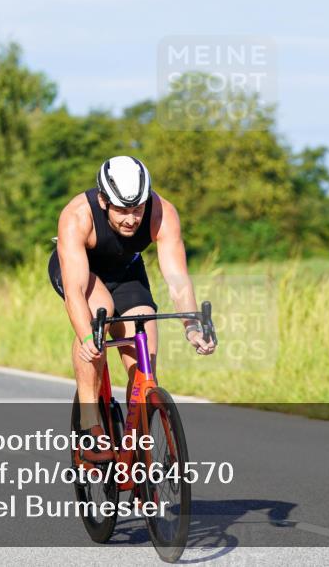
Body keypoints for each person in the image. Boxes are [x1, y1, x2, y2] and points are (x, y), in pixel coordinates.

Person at [48, 156, 215, 462]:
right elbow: (75, 290)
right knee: (100, 313)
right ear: (103, 200)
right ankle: (90, 428)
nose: (131, 219)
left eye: (137, 209)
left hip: (126, 274)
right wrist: (88, 339)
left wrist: (192, 327)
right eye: (122, 210)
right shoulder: (77, 216)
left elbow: (177, 279)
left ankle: (136, 446)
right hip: (80, 272)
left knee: (143, 358)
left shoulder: (162, 213)